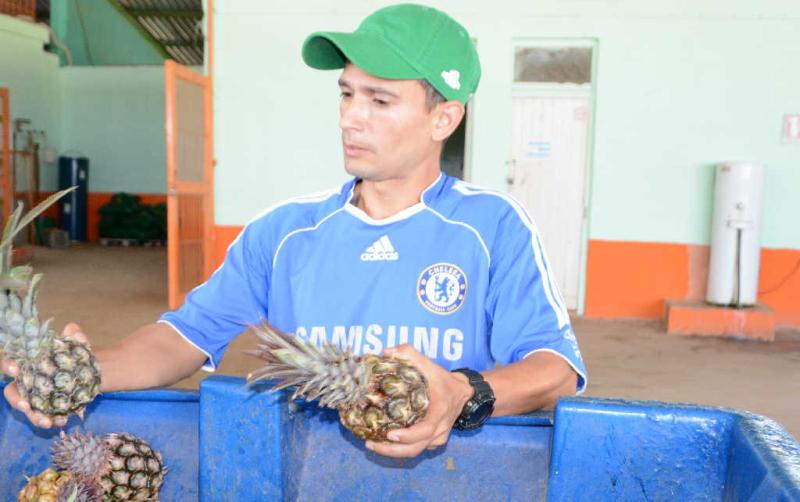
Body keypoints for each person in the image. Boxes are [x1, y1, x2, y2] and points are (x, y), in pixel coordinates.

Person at [2, 3, 586, 459]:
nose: (351, 117)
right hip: (302, 470)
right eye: (347, 93)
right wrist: (85, 369)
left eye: (380, 100)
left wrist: (462, 392)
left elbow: (554, 369)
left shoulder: (492, 227)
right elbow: (186, 336)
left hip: (459, 475)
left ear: (444, 117)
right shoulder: (284, 232)